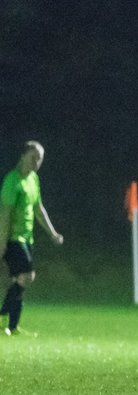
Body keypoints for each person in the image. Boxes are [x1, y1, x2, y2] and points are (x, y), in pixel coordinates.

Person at [1, 141, 64, 337]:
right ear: (22, 156)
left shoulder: (33, 180)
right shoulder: (12, 181)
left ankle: (12, 326)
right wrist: (2, 241)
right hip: (13, 237)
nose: (36, 162)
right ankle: (3, 316)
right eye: (33, 157)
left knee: (19, 279)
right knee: (27, 276)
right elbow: (5, 213)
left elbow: (38, 209)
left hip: (27, 238)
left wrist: (52, 232)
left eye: (40, 159)